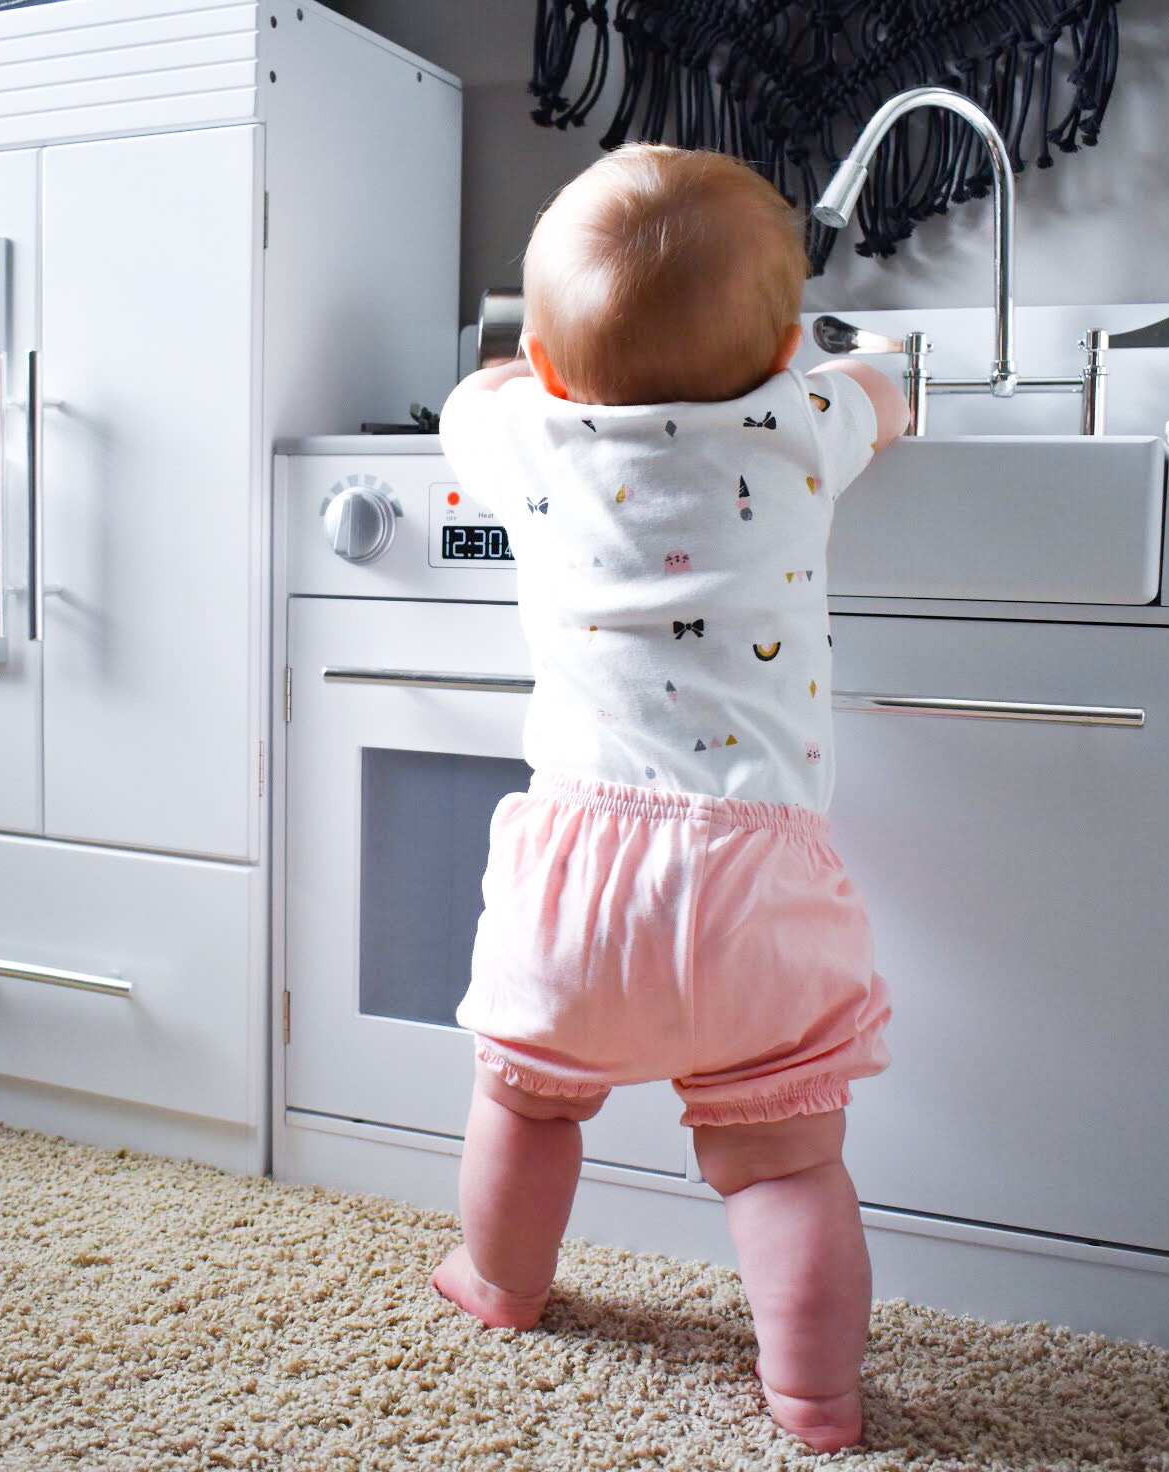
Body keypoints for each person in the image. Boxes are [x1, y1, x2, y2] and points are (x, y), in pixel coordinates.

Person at [431, 144, 911, 1455]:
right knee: (787, 1167)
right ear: (784, 350)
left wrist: (514, 372)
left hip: (578, 873)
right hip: (757, 879)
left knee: (525, 1107)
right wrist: (866, 382)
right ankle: (812, 1395)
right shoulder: (805, 422)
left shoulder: (523, 429)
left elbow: (465, 406)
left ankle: (501, 1284)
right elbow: (888, 393)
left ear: (544, 356)